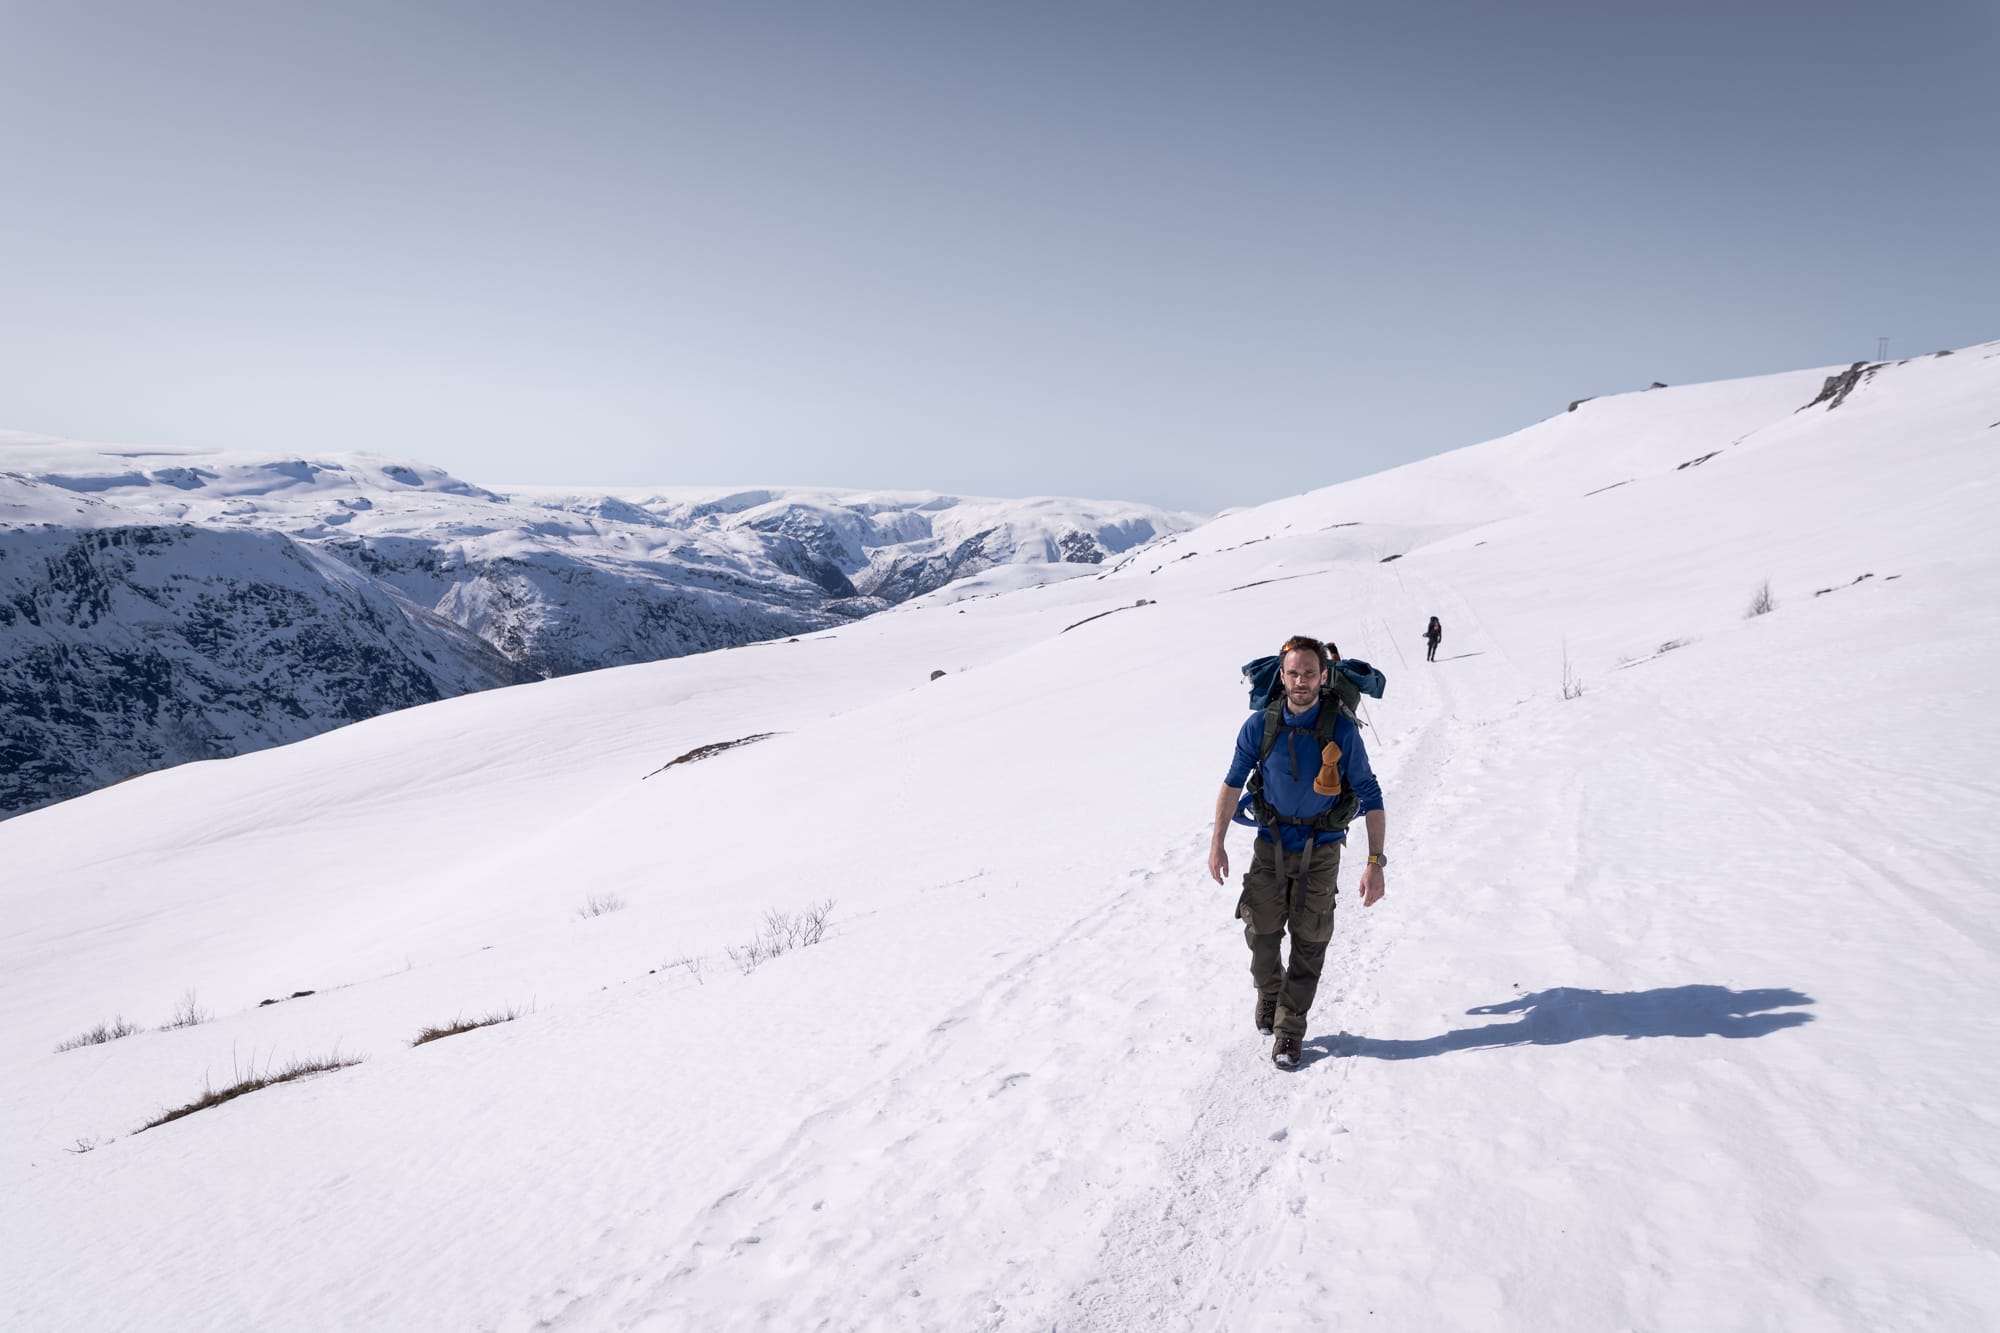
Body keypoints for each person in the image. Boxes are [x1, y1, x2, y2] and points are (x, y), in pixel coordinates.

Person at [1208, 636, 1387, 1068]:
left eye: (1309, 673)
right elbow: (1232, 782)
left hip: (1321, 850)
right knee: (1262, 935)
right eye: (1293, 673)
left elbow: (1371, 794)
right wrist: (1216, 843)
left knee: (1310, 942)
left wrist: (1375, 862)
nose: (1301, 681)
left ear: (1324, 677)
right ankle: (1269, 992)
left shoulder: (1340, 729)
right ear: (1282, 676)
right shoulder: (1261, 726)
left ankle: (1290, 1030)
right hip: (1269, 844)